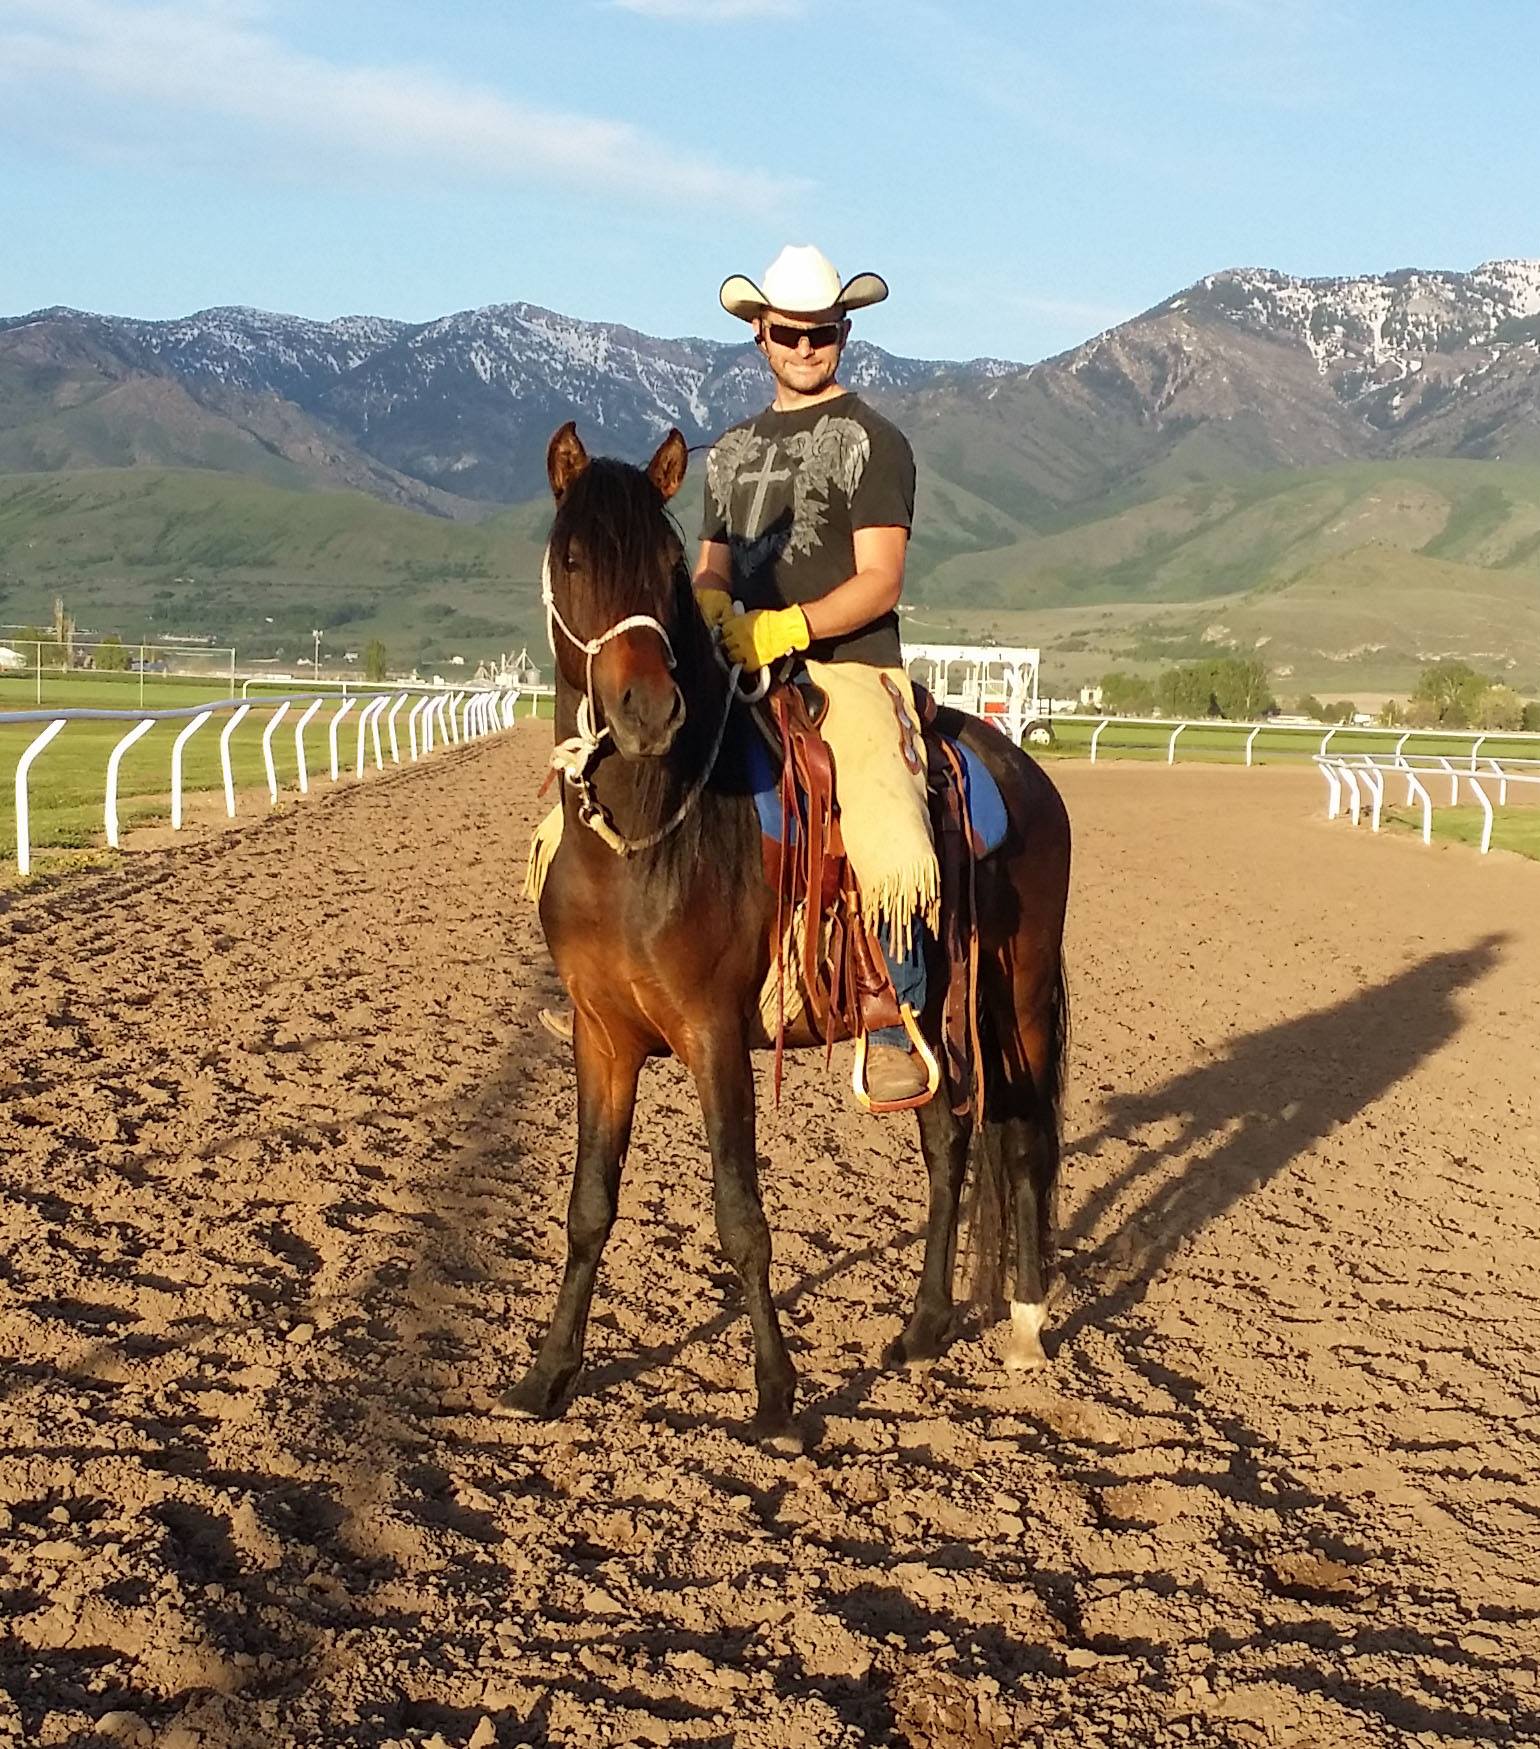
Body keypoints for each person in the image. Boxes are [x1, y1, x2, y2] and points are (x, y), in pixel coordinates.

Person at [700, 244, 938, 1107]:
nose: (806, 348)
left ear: (844, 332)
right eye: (789, 333)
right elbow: (713, 563)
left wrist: (788, 626)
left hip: (849, 671)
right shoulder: (728, 451)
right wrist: (713, 613)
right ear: (760, 334)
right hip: (739, 665)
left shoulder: (875, 441)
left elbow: (881, 579)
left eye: (823, 332)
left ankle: (891, 1015)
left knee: (884, 819)